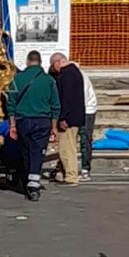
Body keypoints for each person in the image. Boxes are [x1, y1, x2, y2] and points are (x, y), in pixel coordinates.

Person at [7, 51, 59, 201]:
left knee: (25, 150)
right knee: (38, 152)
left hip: (23, 120)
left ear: (28, 61)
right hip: (42, 121)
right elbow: (55, 105)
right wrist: (54, 127)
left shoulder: (18, 79)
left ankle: (27, 179)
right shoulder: (48, 80)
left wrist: (12, 125)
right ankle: (34, 184)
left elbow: (11, 103)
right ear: (40, 62)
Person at [49, 53, 85, 187]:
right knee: (70, 146)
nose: (54, 70)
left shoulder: (66, 75)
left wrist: (62, 117)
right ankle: (63, 173)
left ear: (58, 62)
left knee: (66, 148)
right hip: (76, 116)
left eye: (53, 67)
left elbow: (66, 99)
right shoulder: (75, 72)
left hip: (68, 119)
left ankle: (71, 176)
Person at [79, 61, 97, 181]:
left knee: (85, 139)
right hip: (81, 109)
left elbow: (83, 96)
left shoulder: (80, 77)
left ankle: (85, 168)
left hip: (87, 110)